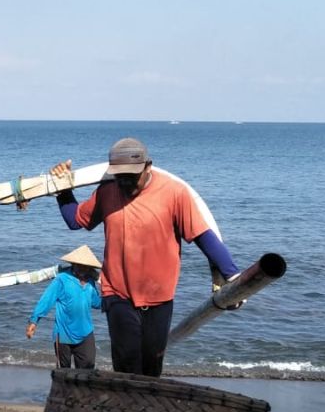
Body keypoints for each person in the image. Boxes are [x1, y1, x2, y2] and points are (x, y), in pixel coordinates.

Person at [51, 137, 239, 377]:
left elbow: (203, 237)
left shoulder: (174, 193)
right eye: (120, 176)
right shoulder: (108, 191)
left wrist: (232, 275)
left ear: (148, 166)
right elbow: (76, 220)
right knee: (126, 365)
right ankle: (126, 411)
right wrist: (63, 189)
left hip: (160, 297)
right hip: (117, 293)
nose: (126, 182)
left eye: (132, 176)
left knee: (151, 366)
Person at [25, 245, 103, 369]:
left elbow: (96, 303)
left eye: (86, 267)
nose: (83, 269)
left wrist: (109, 295)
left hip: (86, 333)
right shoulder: (62, 279)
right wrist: (34, 321)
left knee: (87, 370)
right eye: (80, 265)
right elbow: (46, 300)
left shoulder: (90, 282)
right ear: (73, 264)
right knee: (63, 374)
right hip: (63, 334)